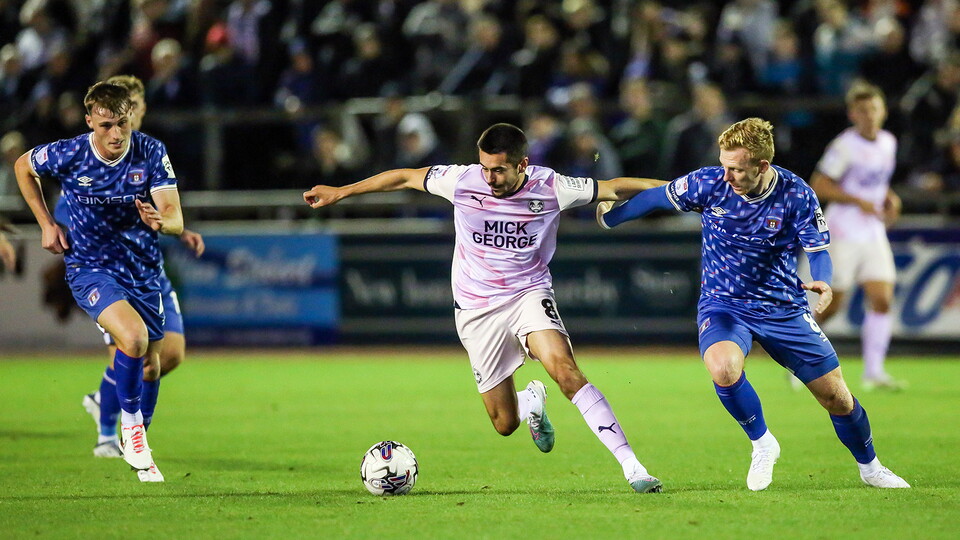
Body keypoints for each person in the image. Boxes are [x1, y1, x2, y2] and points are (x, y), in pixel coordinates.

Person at [304, 123, 664, 493]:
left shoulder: (551, 186)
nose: (489, 178)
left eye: (499, 170)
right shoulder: (462, 180)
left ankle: (632, 467)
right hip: (476, 310)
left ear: (522, 165)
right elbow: (404, 177)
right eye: (485, 168)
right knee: (504, 422)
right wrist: (341, 192)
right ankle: (531, 401)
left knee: (566, 371)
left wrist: (675, 189)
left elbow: (614, 187)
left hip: (528, 294)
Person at [597, 117, 909, 490]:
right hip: (724, 304)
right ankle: (762, 443)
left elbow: (817, 249)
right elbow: (654, 196)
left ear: (762, 166)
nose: (726, 176)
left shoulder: (796, 193)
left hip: (783, 308)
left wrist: (823, 280)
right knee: (723, 367)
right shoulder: (709, 183)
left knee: (836, 398)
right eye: (724, 165)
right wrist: (611, 220)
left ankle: (871, 468)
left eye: (736, 169)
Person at [15, 81, 185, 482]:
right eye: (106, 125)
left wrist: (162, 222)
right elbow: (23, 166)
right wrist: (46, 223)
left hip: (142, 270)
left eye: (122, 123)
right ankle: (129, 429)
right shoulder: (71, 152)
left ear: (131, 118)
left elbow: (175, 217)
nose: (116, 133)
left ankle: (137, 439)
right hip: (91, 268)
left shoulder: (150, 151)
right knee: (134, 339)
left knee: (152, 366)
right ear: (90, 120)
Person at [64, 75, 205, 465]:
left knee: (169, 355)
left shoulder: (147, 153)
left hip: (148, 270)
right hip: (106, 271)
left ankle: (106, 400)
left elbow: (163, 210)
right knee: (129, 346)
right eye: (127, 111)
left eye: (136, 110)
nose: (134, 116)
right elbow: (74, 208)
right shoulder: (84, 159)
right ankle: (109, 434)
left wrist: (178, 229)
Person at [810, 83, 903, 391]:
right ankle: (799, 353)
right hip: (843, 230)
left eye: (873, 109)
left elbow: (875, 182)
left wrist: (889, 197)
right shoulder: (844, 145)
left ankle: (874, 371)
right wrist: (857, 200)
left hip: (872, 230)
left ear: (883, 111)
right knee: (833, 304)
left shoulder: (888, 142)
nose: (869, 115)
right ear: (852, 114)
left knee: (882, 299)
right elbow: (820, 184)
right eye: (862, 110)